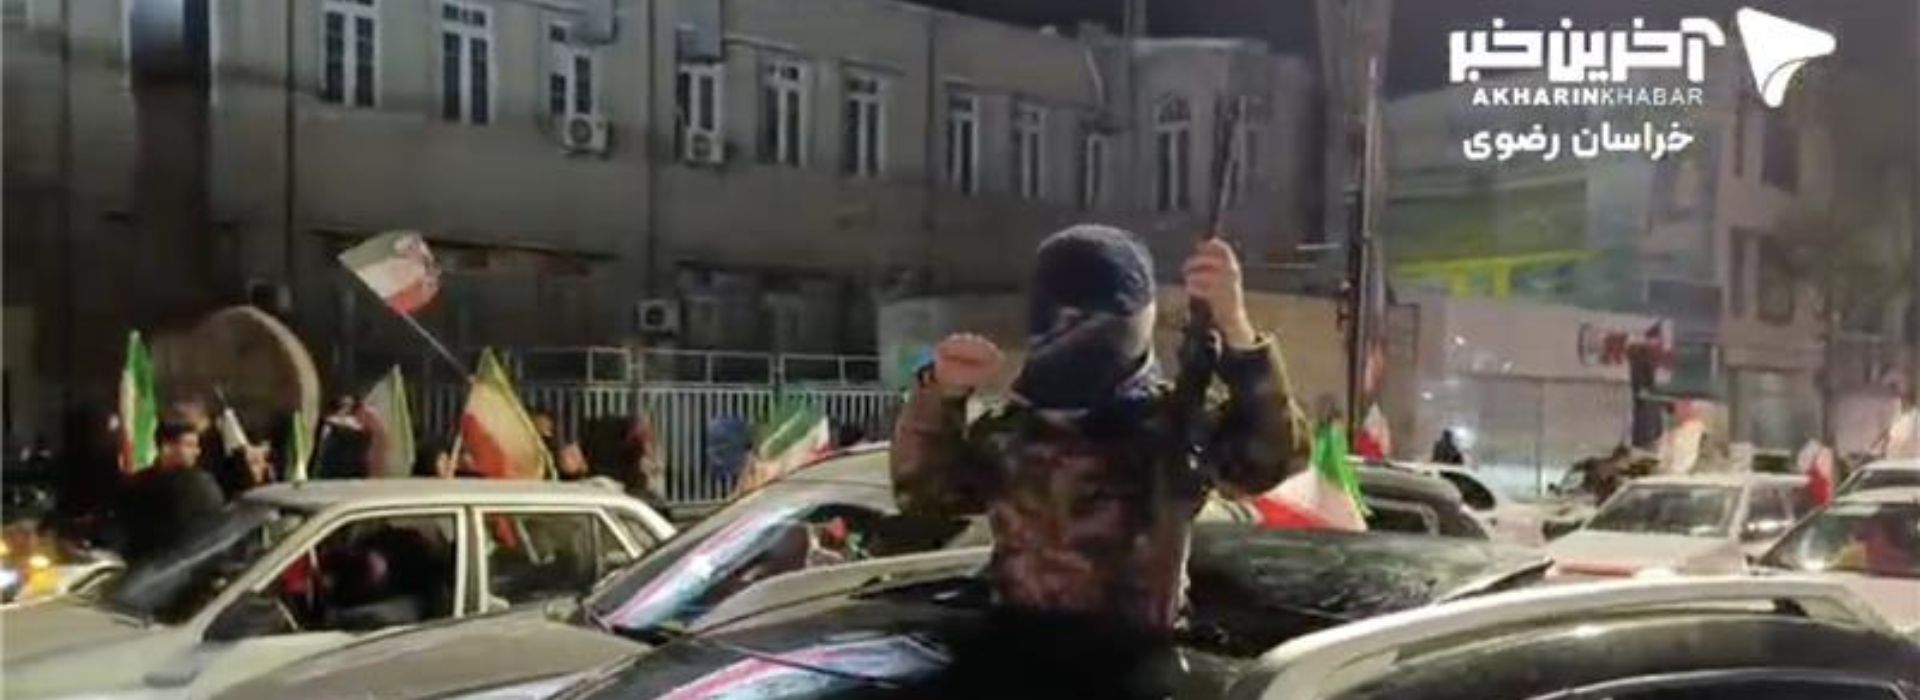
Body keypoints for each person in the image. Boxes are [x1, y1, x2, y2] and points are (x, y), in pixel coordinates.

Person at [892, 226, 1309, 699]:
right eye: (1064, 314)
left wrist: (1237, 328)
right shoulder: (1014, 430)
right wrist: (941, 393)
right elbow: (924, 496)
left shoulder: (1170, 428)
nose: (1075, 330)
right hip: (1017, 666)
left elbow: (1271, 461)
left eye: (1090, 315)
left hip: (1132, 674)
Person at [115, 422, 227, 564]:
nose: (197, 452)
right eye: (189, 445)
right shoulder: (138, 486)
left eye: (196, 446)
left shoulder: (201, 484)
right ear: (166, 448)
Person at [316, 395, 370, 479]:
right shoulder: (329, 423)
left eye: (348, 405)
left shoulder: (359, 423)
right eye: (343, 405)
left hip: (352, 466)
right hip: (334, 466)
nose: (345, 409)